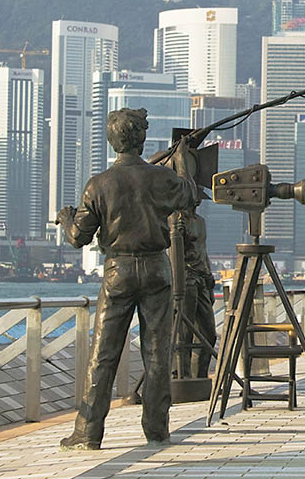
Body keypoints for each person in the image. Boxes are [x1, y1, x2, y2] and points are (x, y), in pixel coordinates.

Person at [57, 108, 197, 450]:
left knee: (103, 352)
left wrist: (65, 218)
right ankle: (157, 429)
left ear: (111, 140)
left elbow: (79, 237)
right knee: (157, 350)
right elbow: (190, 195)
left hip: (118, 271)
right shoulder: (160, 178)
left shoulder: (98, 184)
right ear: (142, 138)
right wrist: (177, 161)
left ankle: (88, 432)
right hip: (155, 269)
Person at [177, 204, 216, 378]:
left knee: (209, 333)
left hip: (202, 279)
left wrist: (209, 275)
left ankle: (200, 376)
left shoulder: (200, 221)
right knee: (183, 333)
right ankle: (181, 375)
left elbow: (203, 250)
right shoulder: (174, 219)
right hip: (185, 279)